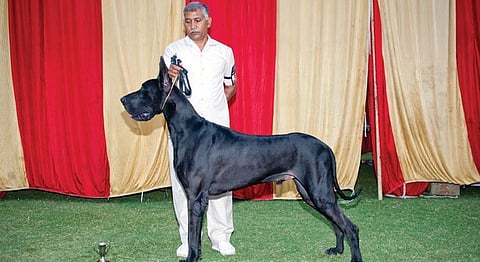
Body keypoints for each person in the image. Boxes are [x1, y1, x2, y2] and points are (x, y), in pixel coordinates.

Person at [163, 1, 237, 258]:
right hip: (184, 134)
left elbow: (231, 85)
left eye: (197, 20)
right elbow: (164, 93)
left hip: (217, 131)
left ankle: (221, 236)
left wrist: (214, 110)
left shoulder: (224, 52)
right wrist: (169, 78)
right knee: (183, 185)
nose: (192, 26)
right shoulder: (172, 51)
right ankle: (186, 238)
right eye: (188, 21)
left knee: (222, 183)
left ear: (208, 21)